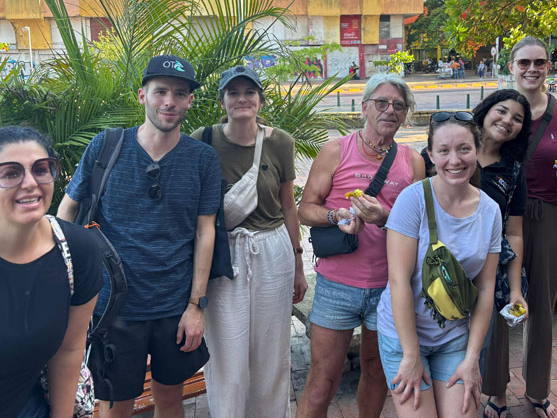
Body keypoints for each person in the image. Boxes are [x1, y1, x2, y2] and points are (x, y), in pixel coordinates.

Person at [58, 55, 221, 418]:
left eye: (180, 94)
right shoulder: (106, 146)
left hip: (174, 305)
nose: (169, 101)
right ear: (141, 95)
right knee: (115, 406)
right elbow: (66, 211)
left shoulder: (203, 159)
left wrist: (196, 306)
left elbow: (204, 230)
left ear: (190, 101)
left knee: (170, 400)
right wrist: (67, 284)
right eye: (160, 91)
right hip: (113, 306)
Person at [0, 126, 102, 418]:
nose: (30, 182)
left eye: (41, 169)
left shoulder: (78, 251)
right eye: (11, 173)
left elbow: (69, 351)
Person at [297, 74, 426, 418]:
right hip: (336, 285)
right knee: (322, 380)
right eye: (382, 102)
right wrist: (337, 214)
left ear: (405, 114)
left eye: (398, 105)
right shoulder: (336, 150)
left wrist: (384, 217)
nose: (389, 110)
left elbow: (422, 226)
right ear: (365, 107)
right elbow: (305, 209)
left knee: (376, 372)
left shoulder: (413, 162)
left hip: (389, 287)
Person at [191, 65, 307, 417]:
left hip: (272, 249)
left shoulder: (279, 142)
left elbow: (288, 205)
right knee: (227, 348)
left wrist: (299, 265)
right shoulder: (204, 139)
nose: (242, 99)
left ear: (260, 99)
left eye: (249, 92)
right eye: (234, 93)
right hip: (223, 251)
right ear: (223, 100)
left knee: (271, 348)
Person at [376, 112, 500, 417]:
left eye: (464, 149)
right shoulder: (412, 200)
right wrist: (411, 354)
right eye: (444, 151)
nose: (454, 160)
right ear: (431, 155)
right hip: (403, 334)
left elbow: (486, 288)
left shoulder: (490, 211)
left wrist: (472, 358)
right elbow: (399, 280)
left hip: (453, 337)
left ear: (477, 151)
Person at [504, 37, 557, 418]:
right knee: (499, 302)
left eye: (539, 62)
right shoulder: (500, 111)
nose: (532, 69)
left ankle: (537, 390)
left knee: (541, 308)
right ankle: (494, 390)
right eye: (524, 62)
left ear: (548, 67)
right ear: (511, 65)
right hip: (504, 218)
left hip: (551, 214)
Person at [471, 90, 532, 418]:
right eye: (502, 111)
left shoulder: (513, 171)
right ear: (485, 110)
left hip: (489, 273)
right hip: (441, 272)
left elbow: (514, 233)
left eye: (517, 118)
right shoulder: (448, 152)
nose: (507, 121)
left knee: (478, 351)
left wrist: (515, 288)